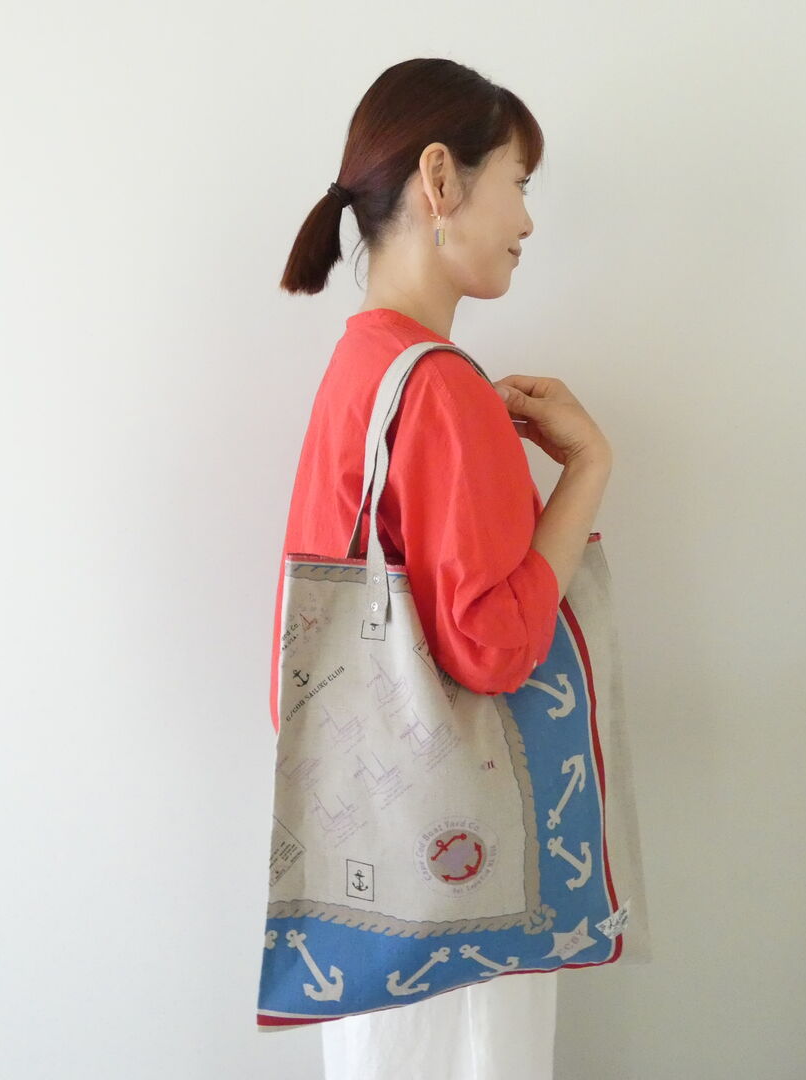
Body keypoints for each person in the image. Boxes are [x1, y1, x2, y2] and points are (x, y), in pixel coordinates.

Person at [274, 58, 614, 1080]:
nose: (528, 220)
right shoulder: (443, 388)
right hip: (461, 899)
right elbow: (496, 648)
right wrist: (588, 470)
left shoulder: (358, 367)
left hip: (372, 881)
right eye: (518, 181)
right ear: (439, 178)